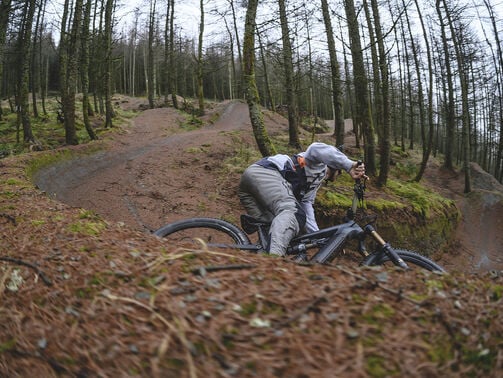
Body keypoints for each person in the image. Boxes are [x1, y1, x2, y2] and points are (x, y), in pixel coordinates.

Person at [238, 142, 366, 256]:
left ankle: (253, 263)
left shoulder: (314, 184)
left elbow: (306, 206)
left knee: (272, 228)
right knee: (293, 213)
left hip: (249, 185)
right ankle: (273, 262)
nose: (338, 176)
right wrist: (348, 165)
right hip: (264, 173)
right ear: (334, 166)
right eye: (339, 172)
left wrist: (319, 238)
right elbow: (316, 148)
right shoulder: (318, 163)